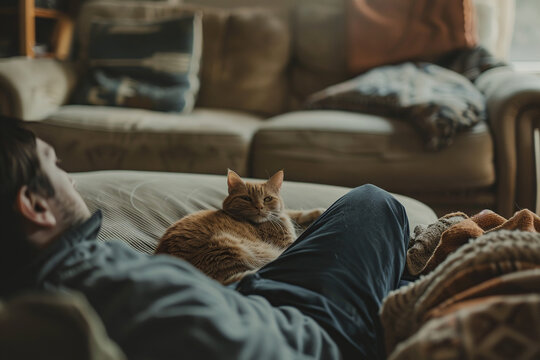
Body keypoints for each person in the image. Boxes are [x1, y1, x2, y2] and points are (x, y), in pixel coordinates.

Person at [0, 116, 410, 360]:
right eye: (56, 166)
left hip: (247, 294)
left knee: (348, 225)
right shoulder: (101, 283)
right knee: (374, 203)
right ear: (36, 206)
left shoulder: (50, 279)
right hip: (311, 331)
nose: (71, 178)